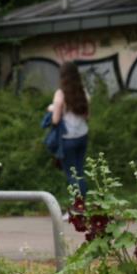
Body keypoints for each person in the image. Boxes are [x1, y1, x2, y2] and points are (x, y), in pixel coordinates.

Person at [48, 61, 90, 197]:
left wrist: (51, 108)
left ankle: (78, 210)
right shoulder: (83, 91)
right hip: (82, 136)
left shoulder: (60, 94)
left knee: (72, 175)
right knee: (79, 172)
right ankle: (83, 206)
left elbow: (55, 120)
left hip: (67, 140)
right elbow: (87, 116)